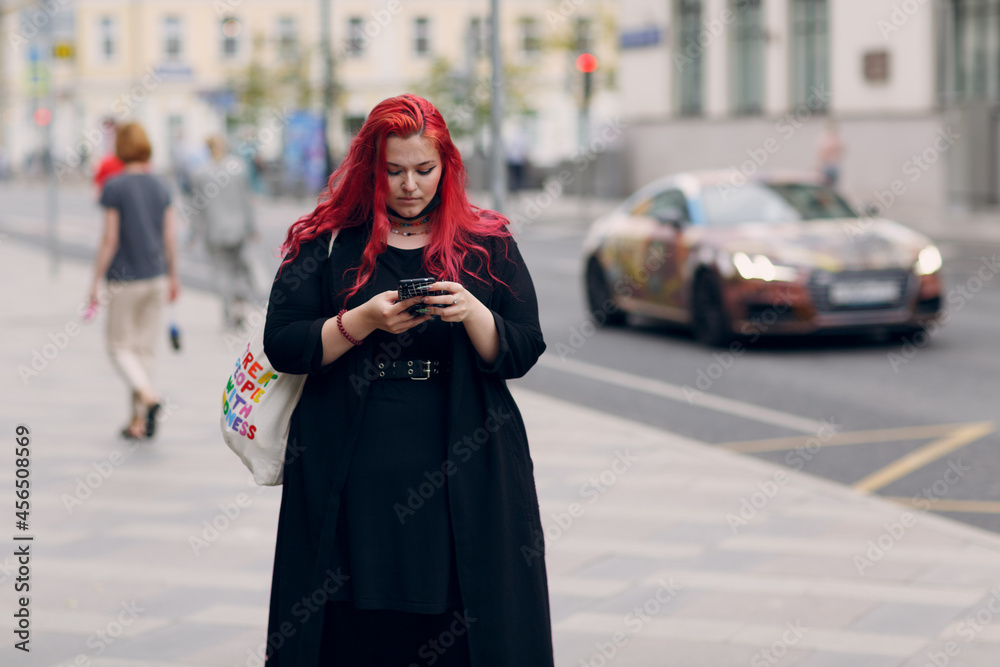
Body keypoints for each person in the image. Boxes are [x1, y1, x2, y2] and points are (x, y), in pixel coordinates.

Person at [262, 94, 554, 666]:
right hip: (347, 470)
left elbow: (523, 347)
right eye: (393, 171)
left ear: (447, 165)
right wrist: (360, 321)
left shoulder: (485, 243)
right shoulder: (327, 242)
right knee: (349, 625)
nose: (410, 186)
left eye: (424, 170)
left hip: (465, 467)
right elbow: (283, 344)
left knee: (462, 619)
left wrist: (473, 312)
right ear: (372, 167)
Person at [88, 122, 180, 440]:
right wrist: (173, 276)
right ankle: (137, 422)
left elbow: (110, 238)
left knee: (118, 347)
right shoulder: (161, 185)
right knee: (144, 350)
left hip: (125, 278)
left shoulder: (114, 185)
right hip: (156, 276)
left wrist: (94, 282)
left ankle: (150, 399)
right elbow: (170, 236)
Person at [189, 134, 258, 329]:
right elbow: (247, 200)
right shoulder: (239, 168)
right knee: (240, 269)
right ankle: (241, 304)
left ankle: (228, 308)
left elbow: (198, 207)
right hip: (239, 229)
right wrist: (252, 227)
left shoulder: (200, 172)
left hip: (215, 231)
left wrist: (193, 234)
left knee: (222, 272)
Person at [816, 118, 844, 189]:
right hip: (828, 165)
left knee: (829, 188)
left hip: (832, 166)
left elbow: (841, 150)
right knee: (827, 187)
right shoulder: (827, 136)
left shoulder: (834, 137)